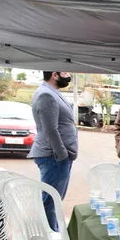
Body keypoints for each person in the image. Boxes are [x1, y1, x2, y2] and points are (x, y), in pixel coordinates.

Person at [28, 71, 78, 230]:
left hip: (58, 156)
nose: (68, 75)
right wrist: (62, 155)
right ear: (54, 75)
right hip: (54, 156)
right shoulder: (45, 95)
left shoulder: (51, 93)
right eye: (65, 72)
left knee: (54, 199)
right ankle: (49, 235)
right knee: (50, 199)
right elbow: (50, 129)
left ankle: (53, 232)